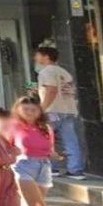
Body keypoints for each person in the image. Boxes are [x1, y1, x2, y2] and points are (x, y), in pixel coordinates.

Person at [10, 96, 73, 206]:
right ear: (18, 110)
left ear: (39, 111)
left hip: (43, 167)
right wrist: (12, 152)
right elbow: (5, 148)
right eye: (26, 109)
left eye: (33, 109)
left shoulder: (45, 127)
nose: (30, 112)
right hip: (22, 166)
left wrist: (56, 155)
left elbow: (51, 150)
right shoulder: (13, 127)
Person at [33, 46, 85, 180]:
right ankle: (75, 170)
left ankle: (52, 168)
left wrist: (41, 108)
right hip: (68, 109)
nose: (35, 58)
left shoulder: (46, 72)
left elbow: (51, 91)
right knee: (71, 140)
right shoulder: (63, 71)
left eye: (38, 55)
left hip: (52, 110)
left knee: (47, 139)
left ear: (46, 57)